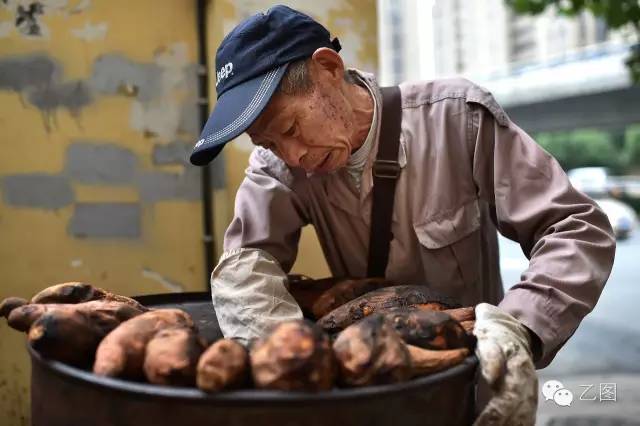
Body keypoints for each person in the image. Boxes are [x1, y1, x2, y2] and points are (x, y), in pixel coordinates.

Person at [190, 5, 616, 425]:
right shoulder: (280, 168)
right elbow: (246, 266)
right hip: (364, 400)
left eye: (288, 129)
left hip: (465, 394)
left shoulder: (456, 119)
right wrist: (298, 370)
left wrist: (519, 325)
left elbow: (576, 229)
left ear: (328, 69)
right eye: (268, 144)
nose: (293, 156)